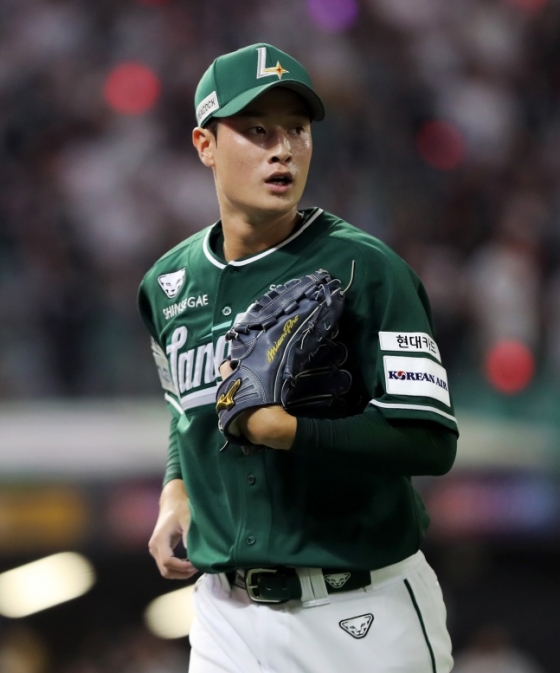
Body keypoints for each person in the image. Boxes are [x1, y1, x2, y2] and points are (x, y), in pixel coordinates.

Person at [138, 43, 458, 673]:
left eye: (297, 129)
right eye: (257, 130)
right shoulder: (166, 285)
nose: (282, 149)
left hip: (360, 611)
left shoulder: (368, 269)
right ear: (205, 144)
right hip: (223, 617)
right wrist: (175, 490)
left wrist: (290, 430)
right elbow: (184, 409)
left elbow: (431, 442)